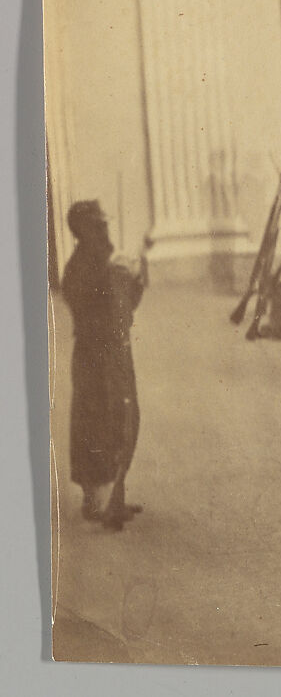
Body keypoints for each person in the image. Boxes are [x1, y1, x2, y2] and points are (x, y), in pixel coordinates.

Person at [60, 200, 146, 532]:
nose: (105, 230)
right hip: (94, 357)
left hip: (116, 353)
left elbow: (126, 308)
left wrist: (134, 277)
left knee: (125, 417)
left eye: (105, 224)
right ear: (84, 231)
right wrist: (117, 277)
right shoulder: (79, 268)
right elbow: (92, 314)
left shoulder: (105, 263)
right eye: (99, 226)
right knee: (96, 422)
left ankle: (116, 495)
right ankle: (96, 502)